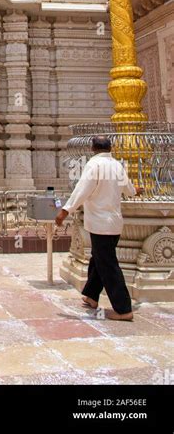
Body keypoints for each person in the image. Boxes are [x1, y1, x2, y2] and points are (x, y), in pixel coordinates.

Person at [55, 136, 136, 321]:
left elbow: (81, 190)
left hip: (100, 224)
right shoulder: (117, 165)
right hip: (114, 223)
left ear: (92, 148)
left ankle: (123, 309)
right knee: (99, 258)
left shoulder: (94, 166)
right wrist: (134, 191)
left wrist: (65, 211)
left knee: (108, 265)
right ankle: (91, 295)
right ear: (110, 148)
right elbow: (128, 189)